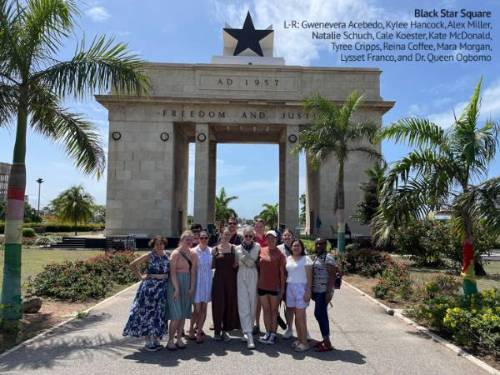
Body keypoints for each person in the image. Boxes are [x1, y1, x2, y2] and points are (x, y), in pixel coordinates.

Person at [123, 236, 169, 351]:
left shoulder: (167, 255)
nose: (159, 246)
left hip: (162, 289)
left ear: (164, 244)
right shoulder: (150, 255)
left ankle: (156, 338)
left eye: (161, 243)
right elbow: (132, 264)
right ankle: (148, 341)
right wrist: (141, 278)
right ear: (153, 245)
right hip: (149, 289)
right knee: (147, 314)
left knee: (159, 314)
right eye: (157, 244)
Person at [166, 230, 197, 350]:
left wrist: (192, 287)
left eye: (191, 239)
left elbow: (193, 272)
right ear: (182, 240)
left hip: (187, 283)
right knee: (176, 315)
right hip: (175, 284)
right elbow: (172, 273)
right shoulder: (175, 253)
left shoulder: (193, 254)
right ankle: (170, 340)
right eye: (187, 239)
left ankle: (179, 338)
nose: (189, 242)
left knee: (183, 313)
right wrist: (177, 288)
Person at [257, 230, 286, 345]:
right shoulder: (261, 250)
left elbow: (282, 273)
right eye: (268, 238)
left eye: (272, 238)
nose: (270, 240)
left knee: (274, 311)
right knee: (266, 310)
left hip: (274, 287)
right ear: (266, 239)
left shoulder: (280, 254)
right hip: (262, 286)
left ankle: (273, 334)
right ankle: (267, 332)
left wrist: (282, 289)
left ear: (276, 239)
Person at [212, 228, 240, 341]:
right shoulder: (215, 249)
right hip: (218, 280)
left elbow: (236, 264)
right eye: (225, 234)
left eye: (229, 234)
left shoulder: (234, 248)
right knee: (218, 305)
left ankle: (225, 330)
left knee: (229, 304)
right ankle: (217, 331)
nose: (227, 236)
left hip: (231, 280)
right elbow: (212, 266)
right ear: (221, 235)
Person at [285, 239, 313, 352]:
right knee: (296, 316)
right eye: (294, 246)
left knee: (300, 317)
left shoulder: (306, 259)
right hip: (290, 287)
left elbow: (310, 277)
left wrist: (308, 291)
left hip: (301, 288)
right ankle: (299, 339)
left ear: (301, 248)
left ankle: (305, 343)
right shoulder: (289, 258)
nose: (296, 248)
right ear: (291, 247)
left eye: (298, 246)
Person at [235, 226, 260, 349]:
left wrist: (243, 258)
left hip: (253, 274)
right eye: (246, 236)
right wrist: (245, 259)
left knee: (253, 303)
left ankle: (248, 328)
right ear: (243, 236)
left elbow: (251, 262)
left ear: (253, 236)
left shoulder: (257, 246)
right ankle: (248, 333)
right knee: (243, 302)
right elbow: (241, 262)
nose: (248, 238)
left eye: (251, 236)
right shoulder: (237, 248)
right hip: (241, 274)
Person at [311, 237, 338, 352]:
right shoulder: (317, 256)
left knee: (319, 314)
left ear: (325, 245)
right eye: (317, 244)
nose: (318, 246)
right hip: (317, 291)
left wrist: (329, 293)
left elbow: (332, 276)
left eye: (321, 244)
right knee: (322, 315)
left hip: (323, 291)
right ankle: (326, 340)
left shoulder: (328, 257)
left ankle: (327, 343)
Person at [188, 230, 212, 343]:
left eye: (205, 237)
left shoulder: (211, 251)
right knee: (196, 310)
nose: (203, 239)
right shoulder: (193, 251)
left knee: (204, 309)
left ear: (208, 239)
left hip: (207, 282)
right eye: (201, 237)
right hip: (197, 283)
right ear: (198, 239)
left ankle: (199, 332)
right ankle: (191, 329)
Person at [277, 229, 294, 338]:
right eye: (285, 235)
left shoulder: (297, 247)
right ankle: (277, 323)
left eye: (289, 235)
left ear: (292, 237)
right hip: (278, 281)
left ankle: (289, 328)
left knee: (289, 307)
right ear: (282, 237)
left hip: (291, 282)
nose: (287, 237)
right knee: (274, 306)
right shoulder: (279, 249)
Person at [253, 217, 267, 335]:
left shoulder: (269, 239)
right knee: (257, 300)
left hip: (267, 272)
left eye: (260, 226)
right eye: (256, 226)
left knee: (266, 301)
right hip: (255, 272)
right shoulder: (251, 239)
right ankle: (256, 324)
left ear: (264, 227)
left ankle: (268, 325)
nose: (258, 228)